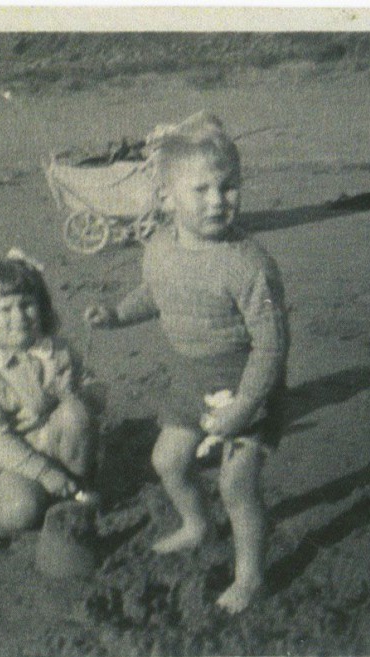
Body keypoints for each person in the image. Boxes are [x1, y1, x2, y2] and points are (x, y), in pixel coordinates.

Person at [85, 112, 289, 613]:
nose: (219, 201)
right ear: (167, 198)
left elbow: (272, 345)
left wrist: (245, 406)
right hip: (192, 376)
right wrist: (116, 314)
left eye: (229, 187)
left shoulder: (249, 264)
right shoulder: (159, 248)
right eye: (201, 190)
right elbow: (154, 293)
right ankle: (196, 524)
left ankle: (251, 576)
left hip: (248, 381)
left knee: (236, 485)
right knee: (167, 461)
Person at [0, 248, 97, 531]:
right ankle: (4, 505)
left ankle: (77, 484)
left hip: (57, 445)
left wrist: (80, 395)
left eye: (26, 304)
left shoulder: (56, 349)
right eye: (5, 309)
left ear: (42, 307)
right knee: (23, 511)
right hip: (10, 458)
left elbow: (91, 387)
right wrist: (45, 474)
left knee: (76, 412)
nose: (19, 316)